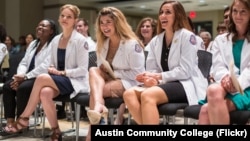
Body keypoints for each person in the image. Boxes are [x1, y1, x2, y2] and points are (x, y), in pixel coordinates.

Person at [2, 4, 89, 141]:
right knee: (45, 93)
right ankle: (56, 130)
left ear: (75, 20)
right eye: (62, 16)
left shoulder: (81, 41)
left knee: (42, 78)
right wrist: (53, 69)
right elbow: (51, 63)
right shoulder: (56, 40)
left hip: (75, 80)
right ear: (59, 18)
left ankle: (24, 117)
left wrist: (62, 73)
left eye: (69, 17)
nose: (65, 18)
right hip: (57, 79)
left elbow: (83, 70)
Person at [123, 0, 207, 125]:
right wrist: (149, 77)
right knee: (128, 94)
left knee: (148, 95)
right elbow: (153, 68)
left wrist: (159, 77)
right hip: (165, 83)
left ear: (177, 15)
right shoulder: (156, 40)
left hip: (184, 83)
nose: (163, 15)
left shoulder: (188, 36)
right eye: (161, 12)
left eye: (168, 12)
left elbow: (185, 71)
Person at [85, 6, 145, 141]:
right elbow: (102, 70)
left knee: (95, 93)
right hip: (111, 79)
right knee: (93, 70)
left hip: (130, 82)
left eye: (108, 22)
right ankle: (99, 107)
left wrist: (113, 72)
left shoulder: (132, 44)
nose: (104, 26)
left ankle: (92, 132)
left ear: (117, 23)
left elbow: (138, 74)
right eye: (102, 23)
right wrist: (105, 69)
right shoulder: (103, 43)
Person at [1, 19, 58, 136]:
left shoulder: (54, 44)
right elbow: (24, 62)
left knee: (23, 88)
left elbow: (45, 66)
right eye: (38, 25)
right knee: (7, 86)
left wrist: (25, 77)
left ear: (51, 31)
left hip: (43, 78)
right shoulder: (33, 44)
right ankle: (10, 121)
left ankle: (20, 123)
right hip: (26, 76)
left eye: (43, 26)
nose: (39, 27)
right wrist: (20, 76)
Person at [198, 0, 250, 125]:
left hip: (246, 87)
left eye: (243, 11)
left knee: (206, 111)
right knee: (212, 90)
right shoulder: (220, 40)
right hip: (225, 84)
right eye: (235, 11)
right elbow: (217, 66)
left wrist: (235, 82)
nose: (238, 15)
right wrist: (227, 78)